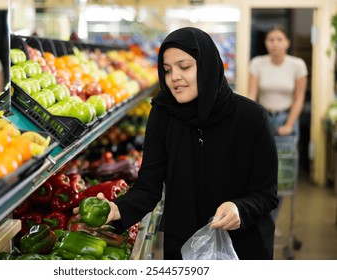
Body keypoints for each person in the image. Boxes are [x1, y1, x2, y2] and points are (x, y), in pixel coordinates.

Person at [75, 27, 279, 260]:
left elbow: (266, 193)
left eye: (184, 67)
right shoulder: (163, 114)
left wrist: (240, 208)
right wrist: (118, 209)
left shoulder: (251, 117)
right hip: (184, 246)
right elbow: (148, 188)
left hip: (243, 246)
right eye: (167, 70)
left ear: (207, 65)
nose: (174, 77)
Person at [247, 26, 308, 221]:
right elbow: (251, 95)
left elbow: (299, 98)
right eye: (271, 39)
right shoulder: (257, 63)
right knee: (260, 170)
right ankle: (261, 215)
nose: (275, 43)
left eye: (279, 39)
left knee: (282, 177)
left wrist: (289, 124)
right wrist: (248, 120)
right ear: (266, 43)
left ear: (287, 42)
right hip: (263, 119)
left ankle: (270, 221)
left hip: (286, 120)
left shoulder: (297, 65)